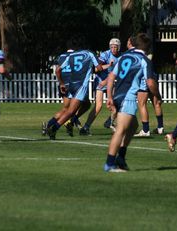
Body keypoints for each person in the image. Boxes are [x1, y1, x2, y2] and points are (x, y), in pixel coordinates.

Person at [104, 33, 162, 172]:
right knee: (121, 130)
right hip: (128, 98)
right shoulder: (144, 60)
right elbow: (150, 82)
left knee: (133, 125)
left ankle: (121, 158)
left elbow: (111, 76)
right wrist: (158, 96)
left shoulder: (124, 56)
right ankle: (110, 164)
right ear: (148, 48)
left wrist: (110, 96)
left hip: (118, 95)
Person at [46, 38, 103, 140]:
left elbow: (58, 70)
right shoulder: (89, 53)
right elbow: (99, 69)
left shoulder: (71, 55)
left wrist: (62, 84)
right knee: (71, 111)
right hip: (80, 86)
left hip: (71, 85)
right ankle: (53, 128)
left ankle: (70, 122)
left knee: (86, 104)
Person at [79, 38, 121, 135]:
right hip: (101, 81)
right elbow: (97, 69)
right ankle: (86, 127)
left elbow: (119, 72)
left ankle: (109, 122)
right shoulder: (105, 54)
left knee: (117, 104)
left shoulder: (121, 57)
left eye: (116, 47)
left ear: (119, 47)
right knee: (98, 106)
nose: (114, 49)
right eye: (112, 47)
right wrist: (108, 65)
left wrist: (108, 80)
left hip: (110, 82)